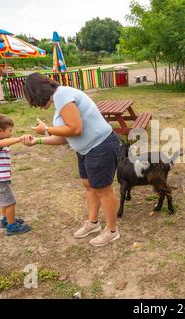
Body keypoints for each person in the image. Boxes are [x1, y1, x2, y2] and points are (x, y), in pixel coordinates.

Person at [22, 73, 120, 247]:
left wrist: (46, 129)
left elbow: (75, 129)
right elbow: (65, 137)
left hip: (100, 146)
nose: (37, 106)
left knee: (103, 190)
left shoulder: (62, 94)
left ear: (38, 93)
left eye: (34, 101)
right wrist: (37, 141)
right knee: (89, 185)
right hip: (86, 150)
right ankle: (93, 223)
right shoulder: (59, 101)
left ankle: (112, 231)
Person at [0, 113, 32, 235]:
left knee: (4, 202)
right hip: (0, 180)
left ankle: (5, 219)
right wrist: (19, 138)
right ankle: (12, 227)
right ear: (0, 131)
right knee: (10, 202)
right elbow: (2, 144)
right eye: (10, 131)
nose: (11, 133)